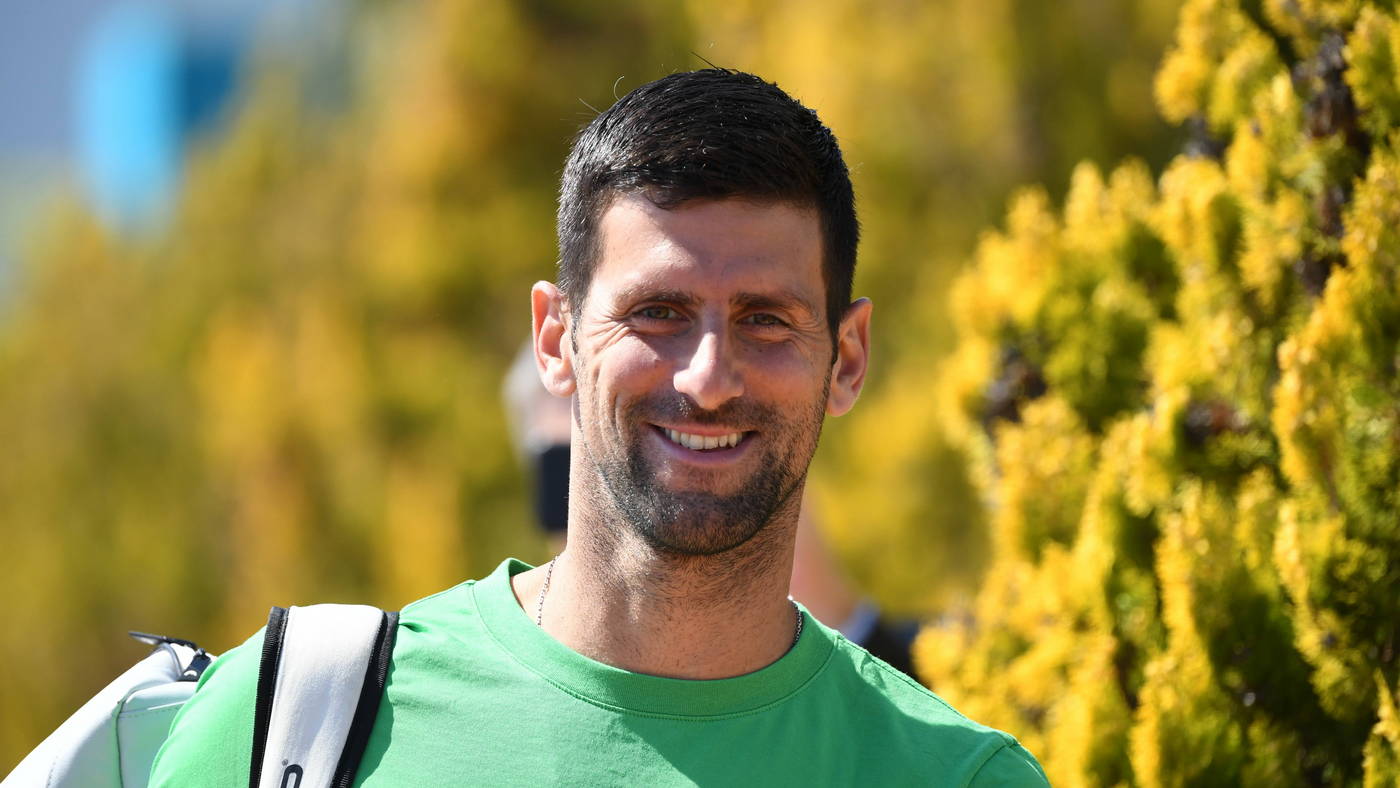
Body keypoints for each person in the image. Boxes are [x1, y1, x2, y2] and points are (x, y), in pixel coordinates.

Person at [150, 68, 1048, 785]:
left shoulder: (955, 777)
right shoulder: (287, 725)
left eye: (766, 319)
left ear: (847, 359)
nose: (708, 378)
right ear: (556, 339)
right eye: (658, 312)